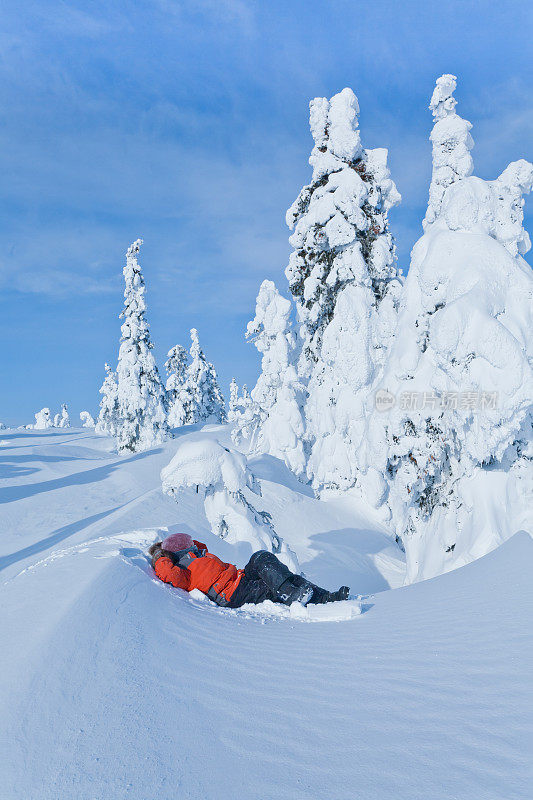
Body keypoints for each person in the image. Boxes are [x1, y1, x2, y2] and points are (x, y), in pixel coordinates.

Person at [148, 533, 350, 609]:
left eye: (189, 542)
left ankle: (326, 597)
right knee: (272, 585)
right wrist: (160, 555)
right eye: (186, 544)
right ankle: (293, 596)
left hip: (240, 580)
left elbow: (201, 544)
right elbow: (168, 574)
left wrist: (182, 543)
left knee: (262, 558)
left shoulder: (199, 555)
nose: (191, 545)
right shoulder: (181, 570)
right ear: (178, 551)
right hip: (233, 595)